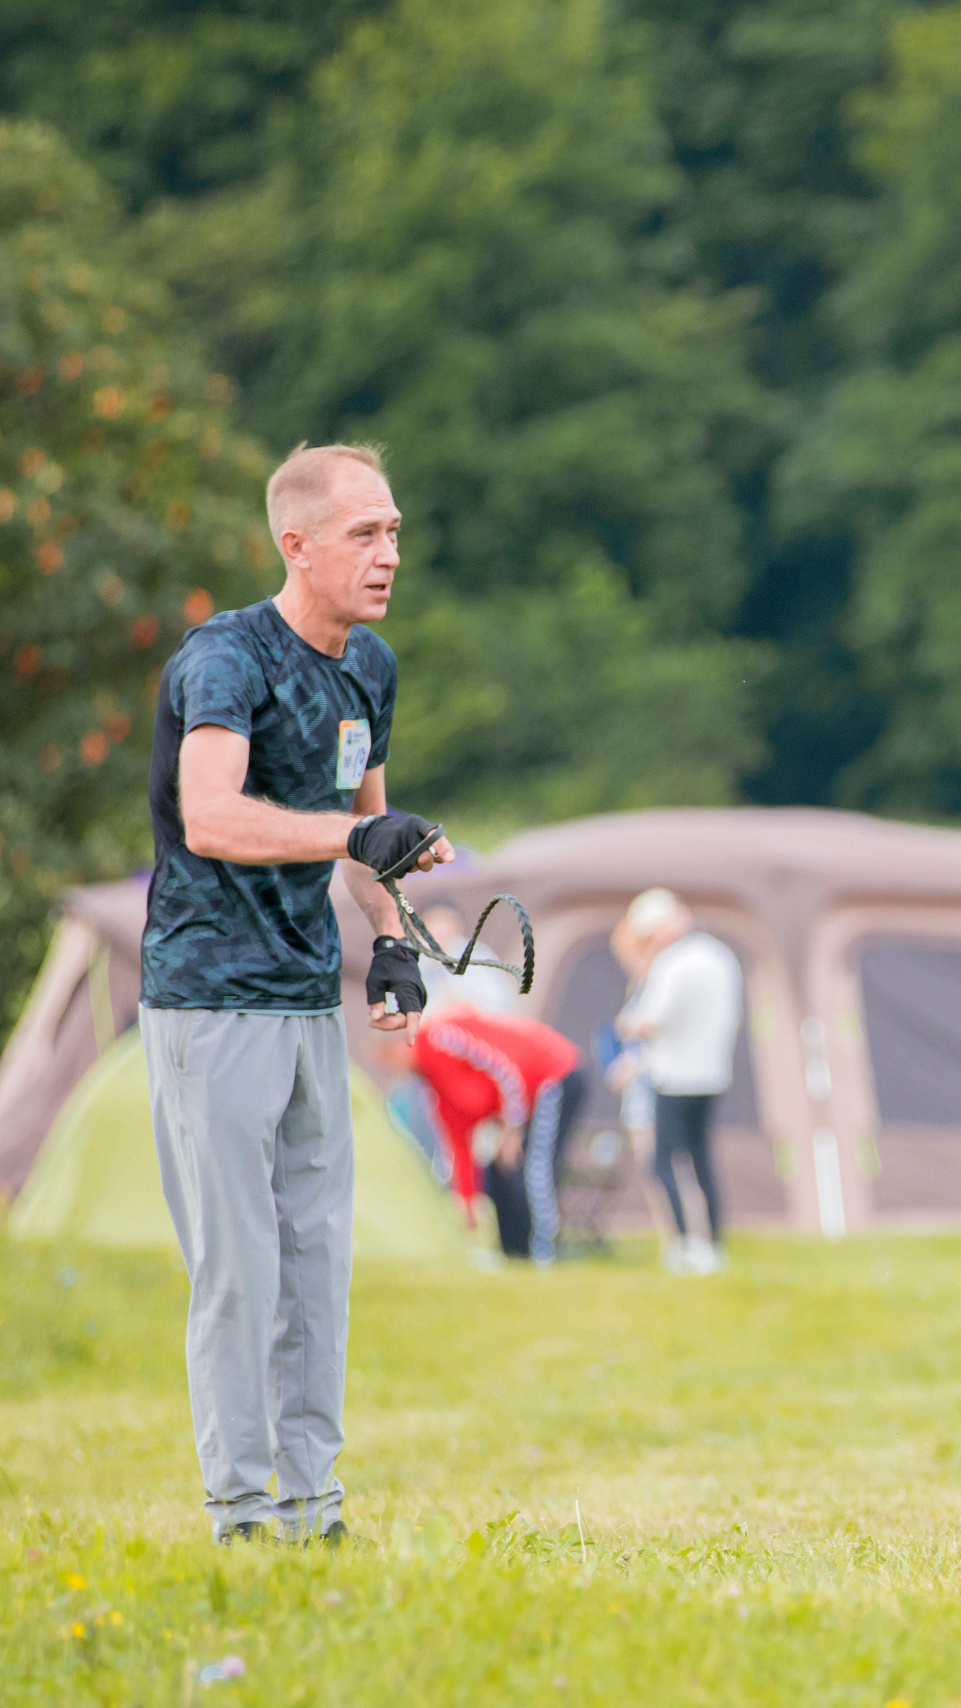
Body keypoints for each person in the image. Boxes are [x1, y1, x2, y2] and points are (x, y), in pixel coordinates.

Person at [140, 442, 454, 1546]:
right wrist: (356, 834)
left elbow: (367, 824)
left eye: (396, 531)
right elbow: (212, 817)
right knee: (240, 1273)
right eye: (366, 533)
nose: (390, 554)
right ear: (298, 543)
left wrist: (391, 936)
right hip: (209, 1002)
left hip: (310, 1002)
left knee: (319, 1267)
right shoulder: (224, 661)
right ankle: (240, 1513)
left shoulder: (369, 667)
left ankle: (313, 1513)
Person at [388, 1007, 582, 1263]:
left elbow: (503, 1066)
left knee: (533, 1165)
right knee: (498, 1171)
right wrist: (466, 1202)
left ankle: (543, 1254)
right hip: (521, 1103)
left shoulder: (441, 1037)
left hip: (553, 1074)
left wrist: (512, 1126)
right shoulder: (439, 1093)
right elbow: (460, 1146)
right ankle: (515, 1254)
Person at [615, 888, 743, 1275]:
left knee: (664, 1162)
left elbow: (651, 1020)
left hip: (673, 1078)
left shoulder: (673, 963)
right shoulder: (722, 956)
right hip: (712, 1074)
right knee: (702, 1160)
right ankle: (714, 1244)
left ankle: (686, 1244)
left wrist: (628, 1024)